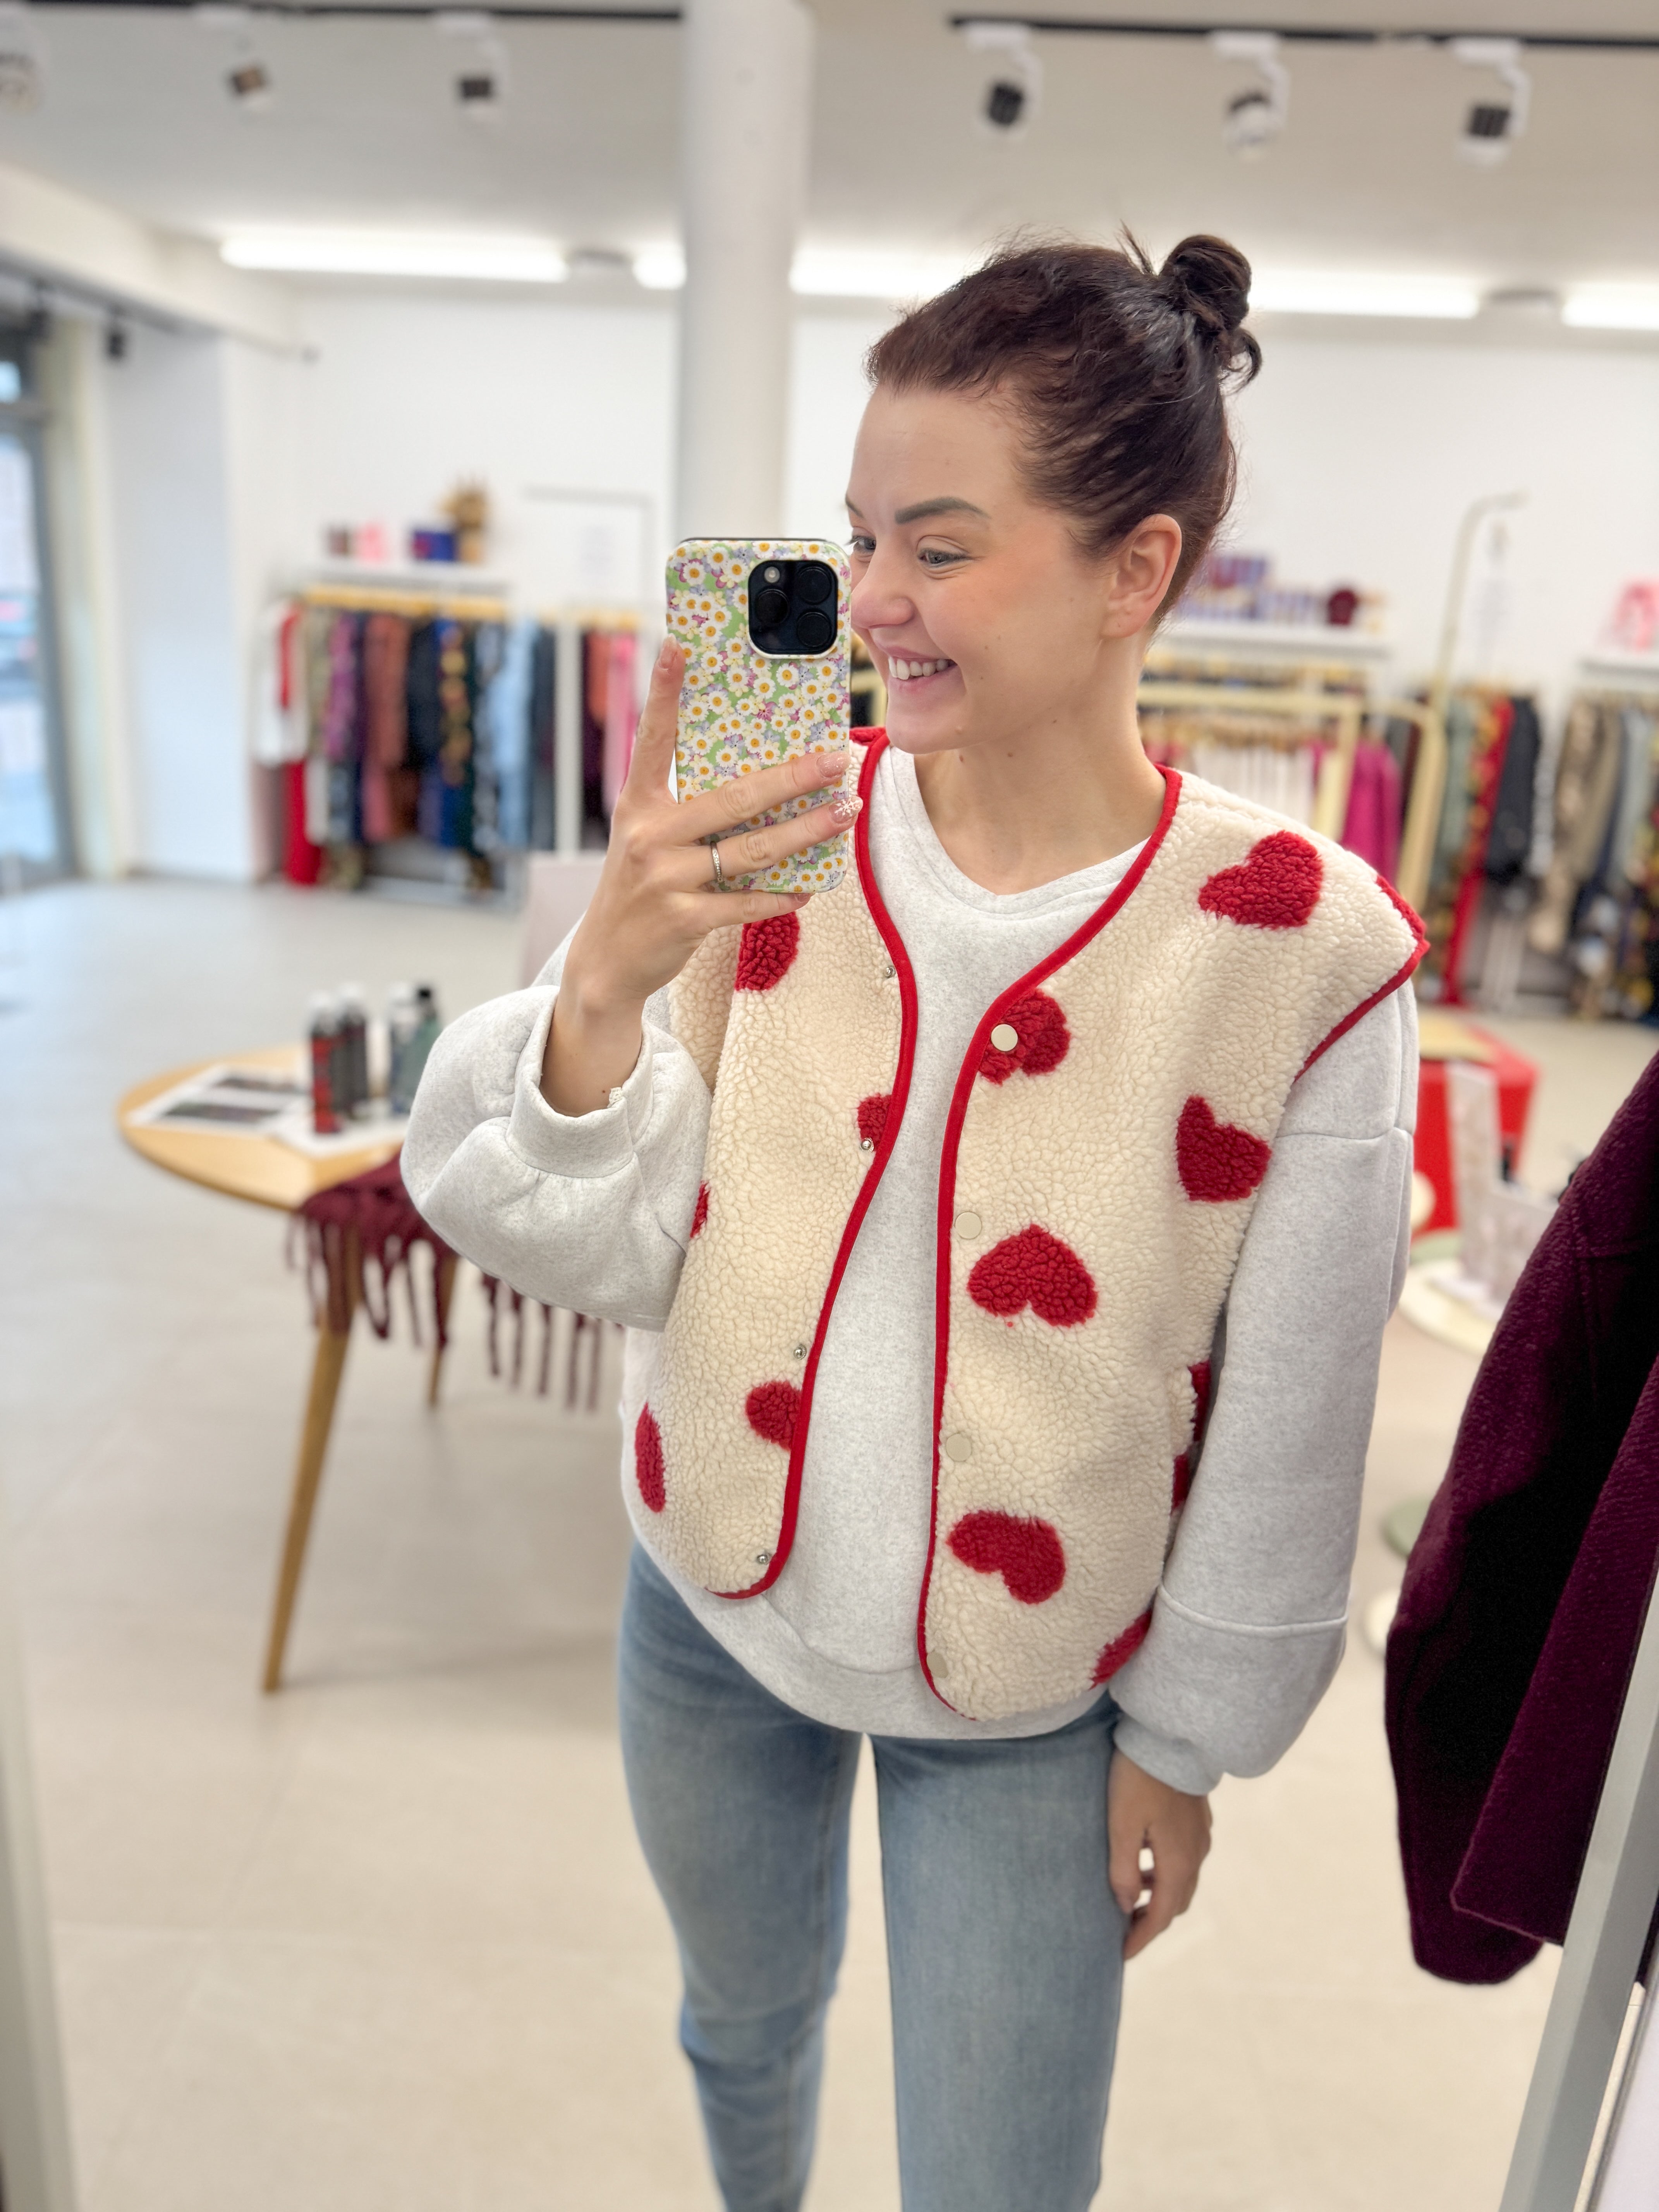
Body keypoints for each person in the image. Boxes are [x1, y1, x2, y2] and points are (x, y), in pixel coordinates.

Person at [404, 234, 1425, 2212]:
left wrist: (1191, 1745)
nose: (870, 599)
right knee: (737, 2025)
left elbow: (1295, 1408)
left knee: (1003, 2174)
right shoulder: (775, 821)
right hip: (702, 1606)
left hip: (1035, 1697)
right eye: (859, 536)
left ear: (1137, 568)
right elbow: (609, 1249)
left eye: (939, 547)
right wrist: (609, 977)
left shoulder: (1302, 950)